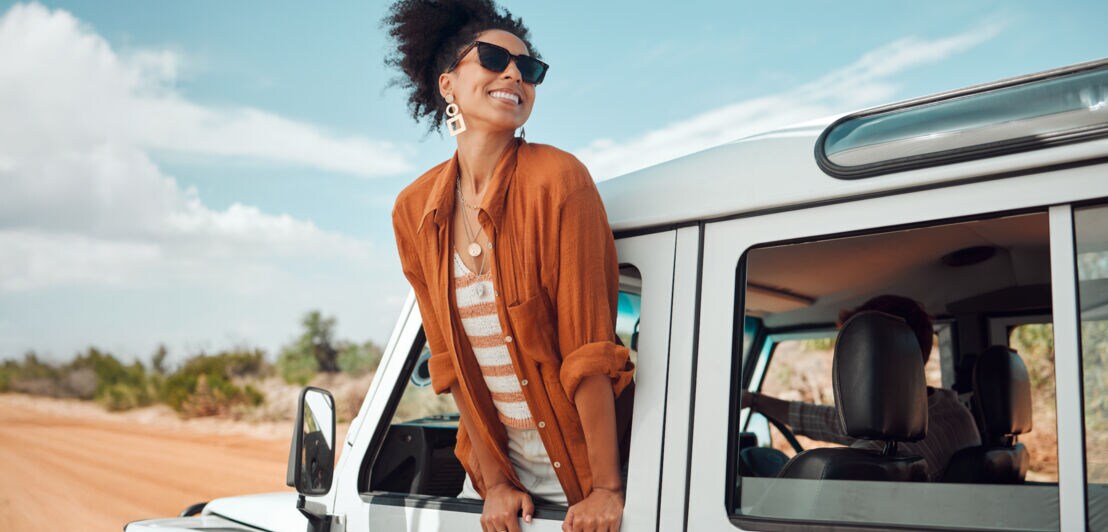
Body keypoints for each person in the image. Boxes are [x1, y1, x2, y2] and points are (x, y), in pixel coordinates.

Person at [385, 2, 634, 531]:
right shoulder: (413, 210)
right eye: (495, 58)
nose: (515, 74)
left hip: (587, 487)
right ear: (448, 83)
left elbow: (590, 352)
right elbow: (450, 362)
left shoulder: (560, 180)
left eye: (530, 68)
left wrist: (606, 490)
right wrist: (494, 483)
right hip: (502, 493)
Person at [742, 295, 981, 481]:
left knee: (758, 459)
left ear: (870, 359)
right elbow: (830, 421)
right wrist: (755, 400)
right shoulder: (955, 412)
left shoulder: (875, 461)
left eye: (852, 352)